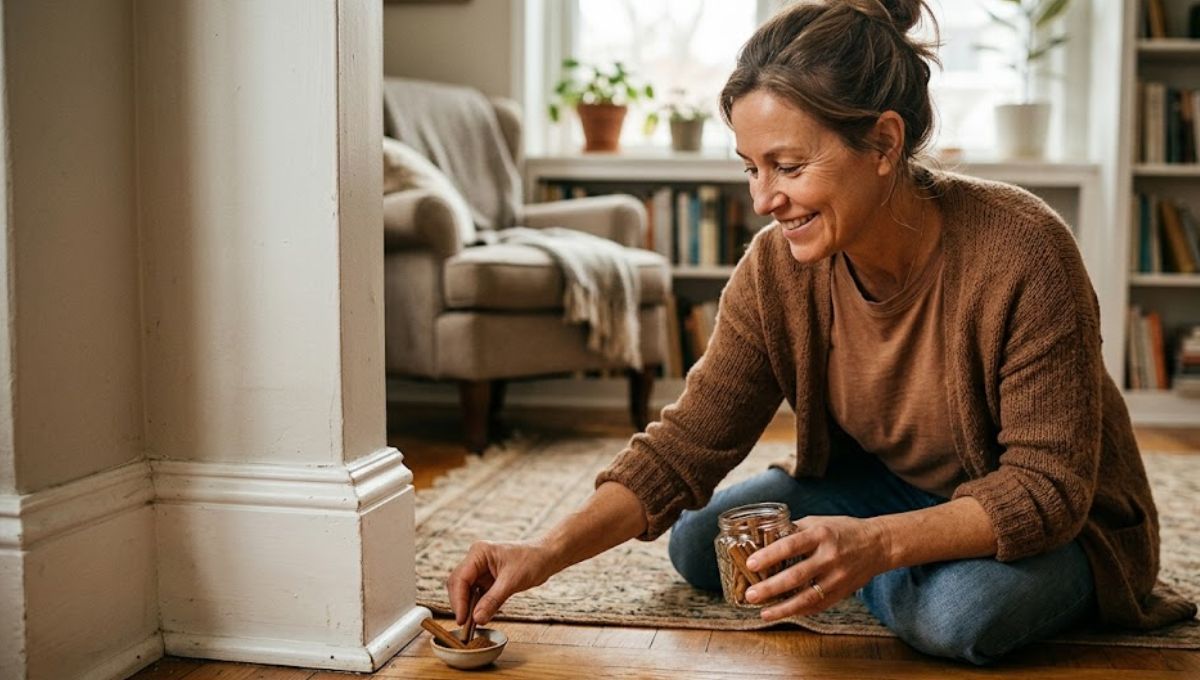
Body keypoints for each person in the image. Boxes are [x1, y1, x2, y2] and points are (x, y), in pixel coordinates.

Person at [445, 0, 1197, 665]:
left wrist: (872, 546)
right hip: (886, 487)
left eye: (789, 166)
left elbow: (1048, 489)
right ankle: (865, 558)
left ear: (883, 143)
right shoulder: (778, 269)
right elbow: (685, 447)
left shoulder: (1025, 250)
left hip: (1067, 526)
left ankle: (873, 564)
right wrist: (540, 554)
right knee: (697, 541)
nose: (765, 199)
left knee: (962, 614)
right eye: (750, 168)